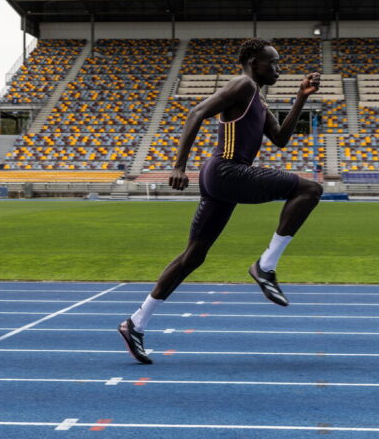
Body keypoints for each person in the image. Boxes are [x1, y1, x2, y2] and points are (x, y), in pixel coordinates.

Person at [118, 38, 323, 364]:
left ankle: (136, 323)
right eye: (273, 63)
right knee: (310, 190)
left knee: (193, 256)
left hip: (222, 180)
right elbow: (196, 112)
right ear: (254, 62)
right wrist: (179, 165)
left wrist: (300, 98)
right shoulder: (242, 85)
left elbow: (281, 140)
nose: (278, 69)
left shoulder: (258, 99)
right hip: (227, 172)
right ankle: (265, 267)